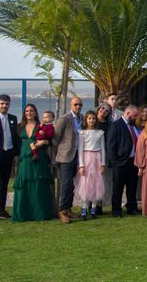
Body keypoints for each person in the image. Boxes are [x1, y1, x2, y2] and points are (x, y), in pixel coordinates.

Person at [12, 104, 54, 222]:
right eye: (26, 111)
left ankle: (40, 213)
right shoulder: (19, 127)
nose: (29, 113)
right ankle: (23, 213)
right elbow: (16, 143)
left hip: (39, 157)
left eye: (31, 111)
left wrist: (44, 141)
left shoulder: (41, 126)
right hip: (24, 158)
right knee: (23, 184)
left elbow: (50, 140)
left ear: (35, 112)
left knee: (39, 184)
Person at [53, 96, 84, 224]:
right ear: (71, 105)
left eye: (80, 105)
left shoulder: (82, 118)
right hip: (65, 156)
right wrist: (60, 152)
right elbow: (55, 138)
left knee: (71, 184)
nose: (78, 107)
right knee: (65, 183)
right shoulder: (65, 118)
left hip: (77, 155)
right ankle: (61, 210)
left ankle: (68, 208)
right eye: (76, 104)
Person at [107, 105, 141, 218]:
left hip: (133, 162)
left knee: (132, 187)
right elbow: (111, 145)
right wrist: (115, 162)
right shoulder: (116, 125)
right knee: (118, 187)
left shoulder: (134, 126)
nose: (136, 117)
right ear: (128, 113)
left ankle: (132, 207)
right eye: (134, 115)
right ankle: (116, 210)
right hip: (121, 162)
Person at [74, 110, 106, 220]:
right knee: (85, 184)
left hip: (97, 158)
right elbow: (80, 150)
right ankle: (84, 208)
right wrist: (81, 165)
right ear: (86, 120)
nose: (91, 121)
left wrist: (103, 163)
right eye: (89, 119)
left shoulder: (100, 132)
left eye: (93, 118)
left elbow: (103, 149)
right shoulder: (82, 133)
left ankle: (93, 208)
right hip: (87, 158)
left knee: (96, 183)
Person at [95, 103, 112, 215]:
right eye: (102, 108)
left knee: (103, 180)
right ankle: (91, 204)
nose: (104, 111)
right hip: (92, 154)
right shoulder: (91, 121)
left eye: (107, 110)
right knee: (93, 180)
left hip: (105, 154)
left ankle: (99, 205)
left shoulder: (110, 124)